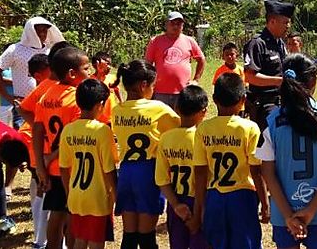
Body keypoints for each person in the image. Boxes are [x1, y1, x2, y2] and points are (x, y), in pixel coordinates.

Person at [256, 54, 317, 249]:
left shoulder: (272, 121)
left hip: (284, 212)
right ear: (313, 80)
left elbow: (267, 172)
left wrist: (288, 215)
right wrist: (311, 209)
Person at [192, 74, 269, 249]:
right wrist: (265, 204)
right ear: (243, 100)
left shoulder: (203, 129)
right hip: (243, 198)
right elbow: (256, 171)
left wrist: (200, 208)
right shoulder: (249, 128)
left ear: (214, 99)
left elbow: (200, 172)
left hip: (214, 197)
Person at [111, 60, 181, 249]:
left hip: (126, 172)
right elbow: (180, 127)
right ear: (143, 85)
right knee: (147, 237)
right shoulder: (158, 108)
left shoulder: (117, 111)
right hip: (149, 171)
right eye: (153, 85)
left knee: (129, 236)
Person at [33, 47, 93, 249]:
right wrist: (51, 158)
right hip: (72, 168)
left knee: (56, 213)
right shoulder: (78, 99)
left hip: (52, 168)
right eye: (86, 68)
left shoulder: (46, 96)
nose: (90, 71)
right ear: (72, 74)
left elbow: (38, 131)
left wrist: (42, 164)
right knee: (72, 215)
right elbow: (71, 136)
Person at [59, 79, 119, 249]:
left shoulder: (68, 130)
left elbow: (63, 168)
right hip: (97, 199)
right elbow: (109, 170)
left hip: (76, 196)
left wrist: (69, 194)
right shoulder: (102, 131)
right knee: (96, 241)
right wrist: (116, 196)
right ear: (100, 104)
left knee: (80, 239)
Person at [155, 85, 210, 249]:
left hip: (177, 202)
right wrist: (199, 212)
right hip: (201, 201)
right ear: (204, 111)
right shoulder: (202, 138)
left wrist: (176, 205)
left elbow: (161, 180)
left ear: (176, 108)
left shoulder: (165, 138)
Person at [0, 17, 65, 130]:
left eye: (44, 30)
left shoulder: (50, 50)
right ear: (29, 31)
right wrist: (7, 96)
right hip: (23, 103)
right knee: (24, 135)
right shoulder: (15, 49)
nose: (42, 34)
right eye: (38, 30)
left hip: (48, 102)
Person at [243, 0, 294, 135]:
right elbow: (250, 76)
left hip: (282, 102)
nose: (288, 26)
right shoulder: (257, 44)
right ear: (272, 21)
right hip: (265, 106)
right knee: (266, 147)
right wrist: (279, 81)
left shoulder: (280, 44)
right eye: (285, 22)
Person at [19, 53, 51, 249]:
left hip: (41, 151)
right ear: (39, 75)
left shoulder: (45, 89)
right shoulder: (42, 91)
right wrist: (41, 130)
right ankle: (41, 239)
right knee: (42, 193)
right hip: (40, 152)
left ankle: (42, 237)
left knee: (40, 193)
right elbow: (25, 112)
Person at [145, 11, 206, 111]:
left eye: (179, 24)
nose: (176, 26)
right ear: (166, 25)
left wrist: (196, 80)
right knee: (161, 123)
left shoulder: (189, 40)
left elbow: (201, 59)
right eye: (172, 23)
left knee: (181, 122)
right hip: (160, 92)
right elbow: (147, 65)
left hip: (183, 92)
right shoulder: (155, 41)